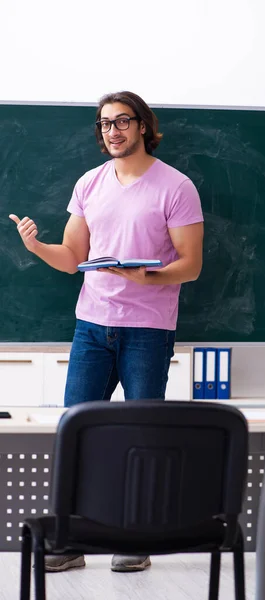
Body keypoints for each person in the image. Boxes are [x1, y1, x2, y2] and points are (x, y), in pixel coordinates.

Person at [9, 91, 204, 573]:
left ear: (142, 126)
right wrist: (37, 247)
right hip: (92, 326)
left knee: (142, 438)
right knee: (76, 432)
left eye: (121, 121)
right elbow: (73, 257)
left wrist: (149, 277)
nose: (112, 131)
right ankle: (71, 540)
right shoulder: (90, 184)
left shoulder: (176, 186)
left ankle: (135, 539)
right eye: (104, 124)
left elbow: (192, 265)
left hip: (147, 330)